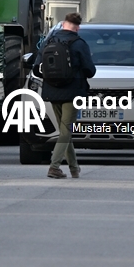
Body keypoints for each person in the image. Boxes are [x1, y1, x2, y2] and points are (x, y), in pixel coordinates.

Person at [32, 13, 96, 180]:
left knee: (63, 131)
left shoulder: (48, 42)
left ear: (63, 24)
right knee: (66, 130)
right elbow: (91, 71)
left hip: (52, 91)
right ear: (77, 27)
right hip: (72, 92)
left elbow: (36, 68)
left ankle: (74, 168)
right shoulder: (79, 43)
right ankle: (54, 167)